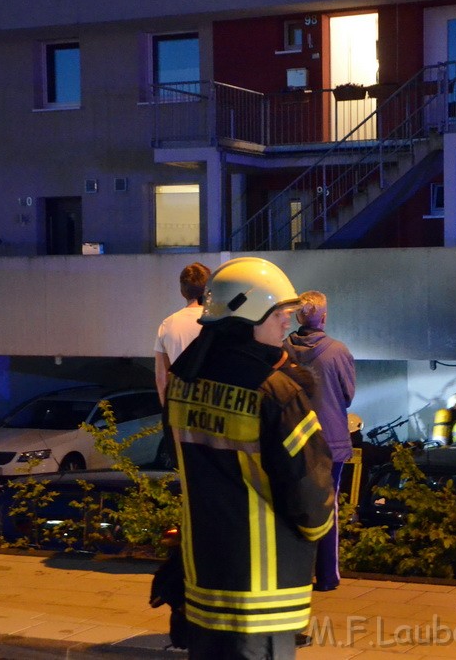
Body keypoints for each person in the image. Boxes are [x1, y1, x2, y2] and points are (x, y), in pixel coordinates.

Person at [165, 256, 334, 660]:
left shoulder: (182, 382)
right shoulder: (276, 393)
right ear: (250, 313)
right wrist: (314, 533)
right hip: (264, 592)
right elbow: (312, 494)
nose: (287, 323)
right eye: (281, 313)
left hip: (204, 577)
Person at [282, 290, 355, 593]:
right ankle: (327, 576)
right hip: (330, 440)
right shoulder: (338, 351)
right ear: (323, 317)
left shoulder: (283, 348)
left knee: (293, 504)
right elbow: (348, 395)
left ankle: (295, 573)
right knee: (329, 507)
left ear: (299, 317)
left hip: (292, 438)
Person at [154, 262, 211, 404]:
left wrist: (167, 412)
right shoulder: (221, 322)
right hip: (213, 410)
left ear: (182, 291)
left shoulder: (167, 325)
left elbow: (161, 377)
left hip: (181, 409)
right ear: (208, 290)